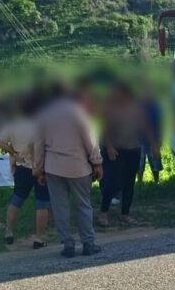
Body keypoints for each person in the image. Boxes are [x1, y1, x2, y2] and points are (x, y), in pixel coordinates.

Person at [33, 82, 103, 258]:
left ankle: (68, 245)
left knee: (60, 208)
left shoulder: (44, 114)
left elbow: (38, 145)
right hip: (78, 166)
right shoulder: (78, 112)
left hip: (53, 167)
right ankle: (88, 243)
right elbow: (90, 140)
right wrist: (97, 162)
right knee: (83, 205)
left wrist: (38, 169)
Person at [0, 91, 51, 249]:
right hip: (40, 166)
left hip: (21, 165)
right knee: (42, 202)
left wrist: (13, 152)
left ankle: (8, 232)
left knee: (17, 199)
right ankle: (39, 237)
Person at [98, 82, 151, 226]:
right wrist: (109, 147)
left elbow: (144, 125)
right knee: (111, 182)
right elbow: (104, 129)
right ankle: (103, 212)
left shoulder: (137, 108)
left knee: (129, 183)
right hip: (116, 149)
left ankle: (125, 213)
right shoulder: (110, 108)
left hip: (133, 149)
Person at [137, 88, 163, 185]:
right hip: (139, 141)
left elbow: (160, 124)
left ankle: (157, 183)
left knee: (155, 164)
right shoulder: (137, 106)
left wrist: (159, 139)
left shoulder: (155, 106)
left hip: (154, 141)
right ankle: (139, 184)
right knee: (139, 165)